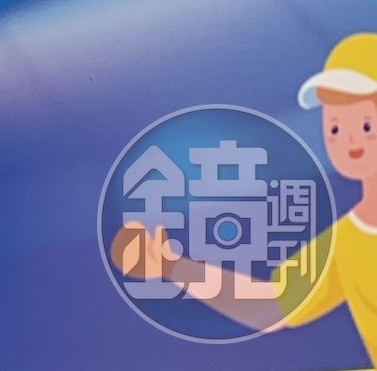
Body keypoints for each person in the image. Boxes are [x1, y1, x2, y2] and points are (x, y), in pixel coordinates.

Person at [112, 33, 377, 359]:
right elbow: (273, 306)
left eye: (366, 125)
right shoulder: (344, 244)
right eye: (335, 128)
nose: (350, 141)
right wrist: (171, 266)